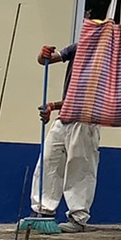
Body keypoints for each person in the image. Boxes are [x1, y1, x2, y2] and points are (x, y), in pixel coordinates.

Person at [30, 40, 97, 229]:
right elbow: (47, 60)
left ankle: (78, 218)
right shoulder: (80, 47)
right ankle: (42, 211)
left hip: (86, 121)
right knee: (49, 161)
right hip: (65, 117)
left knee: (80, 168)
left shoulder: (108, 61)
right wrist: (43, 55)